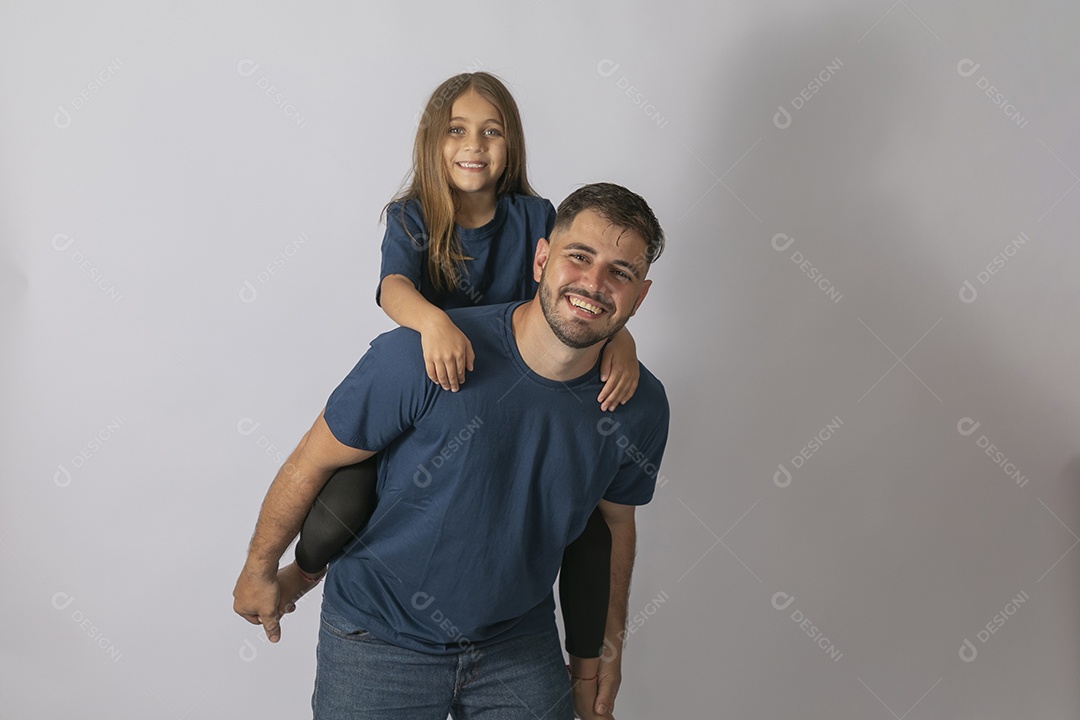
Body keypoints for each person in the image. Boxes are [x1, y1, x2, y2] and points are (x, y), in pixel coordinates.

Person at [233, 182, 669, 720]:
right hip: (378, 639)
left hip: (517, 644)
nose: (594, 283)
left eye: (620, 272)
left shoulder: (640, 406)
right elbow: (313, 458)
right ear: (541, 259)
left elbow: (613, 529)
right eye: (578, 257)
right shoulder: (419, 358)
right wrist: (260, 568)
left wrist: (601, 659)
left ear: (640, 295)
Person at [275, 73, 640, 666]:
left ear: (511, 143)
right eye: (457, 131)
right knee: (344, 497)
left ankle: (579, 661)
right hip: (435, 391)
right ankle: (303, 574)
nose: (475, 144)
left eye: (491, 131)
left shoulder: (533, 215)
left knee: (585, 522)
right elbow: (392, 286)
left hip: (509, 391)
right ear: (432, 142)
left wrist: (621, 339)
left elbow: (574, 288)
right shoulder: (414, 216)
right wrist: (433, 323)